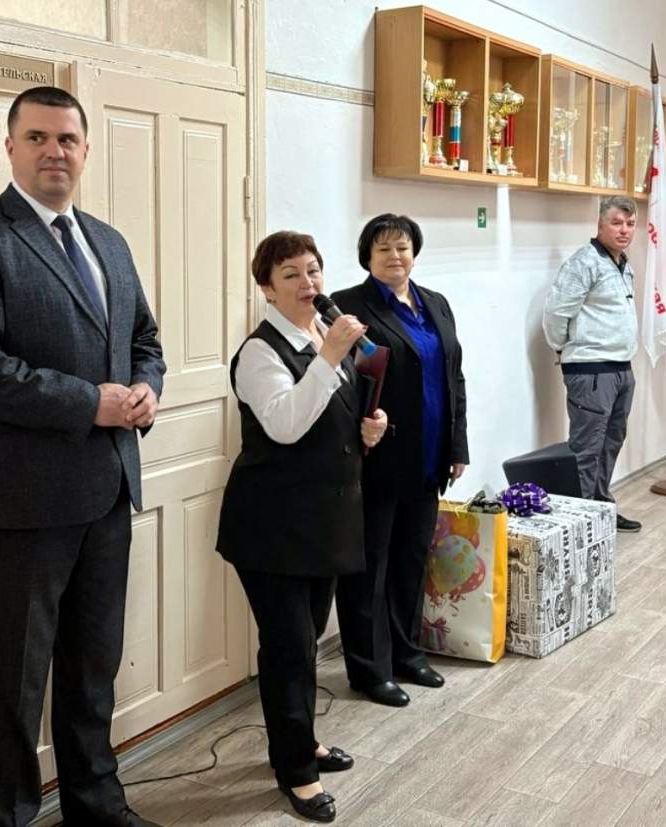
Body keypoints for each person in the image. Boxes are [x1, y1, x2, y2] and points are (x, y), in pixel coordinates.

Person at [0, 87, 165, 826]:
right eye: (37, 137)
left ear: (85, 150)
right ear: (10, 147)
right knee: (12, 688)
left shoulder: (108, 242)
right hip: (23, 504)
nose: (53, 151)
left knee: (93, 673)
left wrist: (146, 390)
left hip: (108, 492)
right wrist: (89, 402)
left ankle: (96, 804)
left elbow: (145, 340)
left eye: (66, 138)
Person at [216, 231, 388, 823]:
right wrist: (331, 357)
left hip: (322, 522)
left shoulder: (321, 335)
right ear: (267, 288)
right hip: (271, 527)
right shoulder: (259, 353)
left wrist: (369, 428)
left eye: (313, 270)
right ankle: (296, 772)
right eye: (290, 274)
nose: (307, 282)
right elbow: (286, 425)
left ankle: (301, 740)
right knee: (289, 648)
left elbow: (330, 415)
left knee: (306, 639)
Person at [333, 213, 468, 708]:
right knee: (368, 567)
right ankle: (369, 669)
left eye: (403, 247)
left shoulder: (435, 303)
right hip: (377, 458)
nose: (395, 256)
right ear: (367, 256)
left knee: (412, 560)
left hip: (429, 455)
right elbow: (339, 384)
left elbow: (454, 378)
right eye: (384, 248)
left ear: (415, 252)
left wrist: (457, 446)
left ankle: (407, 653)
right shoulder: (349, 307)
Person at [543, 195, 641, 531]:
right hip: (591, 369)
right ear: (600, 225)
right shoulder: (583, 262)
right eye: (617, 222)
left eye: (630, 224)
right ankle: (581, 524)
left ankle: (600, 509)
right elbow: (556, 313)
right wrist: (562, 348)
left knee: (610, 443)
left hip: (621, 367)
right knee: (587, 449)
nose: (624, 229)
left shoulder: (622, 263)